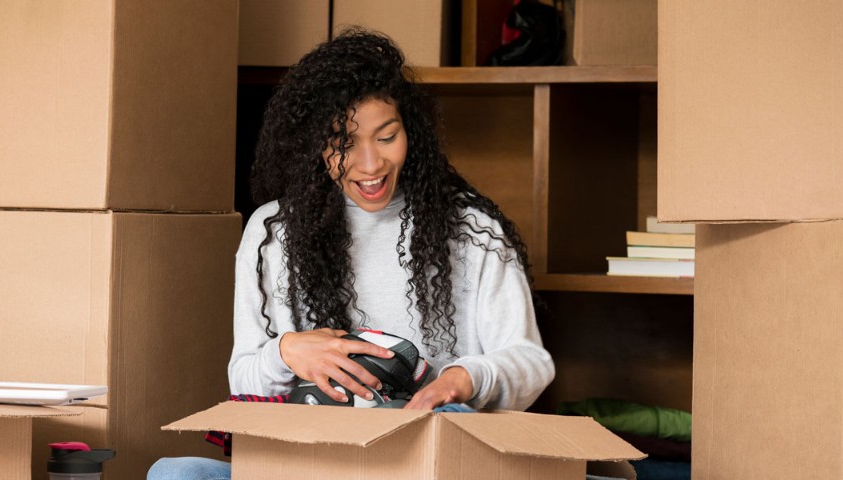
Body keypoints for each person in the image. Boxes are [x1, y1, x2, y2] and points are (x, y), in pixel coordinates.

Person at [148, 29, 554, 480]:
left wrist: (466, 378)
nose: (369, 164)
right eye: (343, 142)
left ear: (410, 133)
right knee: (174, 473)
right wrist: (286, 353)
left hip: (428, 460)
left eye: (386, 137)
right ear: (315, 144)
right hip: (312, 462)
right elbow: (243, 381)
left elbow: (531, 361)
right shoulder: (271, 231)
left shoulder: (472, 230)